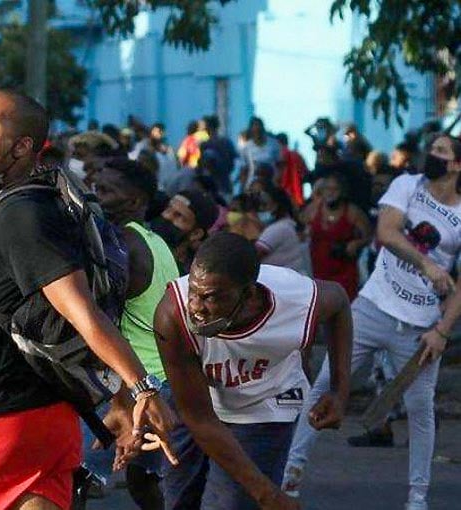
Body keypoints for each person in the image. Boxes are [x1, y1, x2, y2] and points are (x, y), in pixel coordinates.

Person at [0, 90, 176, 510]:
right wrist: (120, 395)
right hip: (43, 419)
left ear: (22, 146)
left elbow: (82, 313)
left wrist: (141, 388)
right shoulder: (30, 206)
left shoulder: (22, 212)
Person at [283, 134, 461, 510]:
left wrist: (442, 330)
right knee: (324, 384)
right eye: (433, 148)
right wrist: (427, 263)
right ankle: (289, 479)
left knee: (420, 409)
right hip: (371, 307)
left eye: (442, 152)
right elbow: (387, 232)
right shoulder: (407, 184)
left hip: (419, 328)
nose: (432, 155)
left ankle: (418, 499)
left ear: (457, 165)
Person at [154, 232, 352, 510]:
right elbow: (199, 418)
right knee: (177, 500)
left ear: (248, 294)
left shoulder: (295, 299)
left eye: (210, 298)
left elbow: (340, 302)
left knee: (229, 504)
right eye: (194, 292)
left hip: (264, 403)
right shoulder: (173, 313)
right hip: (200, 400)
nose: (196, 307)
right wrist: (269, 496)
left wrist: (339, 390)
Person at [93, 158, 193, 509]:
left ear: (135, 201)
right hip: (159, 379)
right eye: (94, 186)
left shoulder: (122, 244)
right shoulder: (155, 240)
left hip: (134, 386)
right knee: (143, 481)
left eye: (105, 191)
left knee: (74, 477)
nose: (95, 196)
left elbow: (99, 316)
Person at [303, 173, 372, 299]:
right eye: (327, 189)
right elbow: (300, 232)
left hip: (344, 271)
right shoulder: (313, 210)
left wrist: (356, 243)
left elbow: (369, 237)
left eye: (335, 189)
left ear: (342, 192)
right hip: (318, 270)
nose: (330, 193)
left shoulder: (352, 212)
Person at [151, 189, 219, 274]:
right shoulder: (136, 241)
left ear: (196, 234)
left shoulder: (191, 277)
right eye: (168, 209)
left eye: (179, 215)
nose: (167, 216)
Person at [255, 186, 309, 274]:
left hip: (283, 281)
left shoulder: (278, 228)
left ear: (276, 205)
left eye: (265, 204)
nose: (261, 209)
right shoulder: (288, 224)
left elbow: (253, 256)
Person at [200, 115, 238, 196]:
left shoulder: (205, 145)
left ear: (208, 127)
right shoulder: (227, 142)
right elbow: (233, 163)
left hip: (212, 188)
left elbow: (202, 166)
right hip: (225, 185)